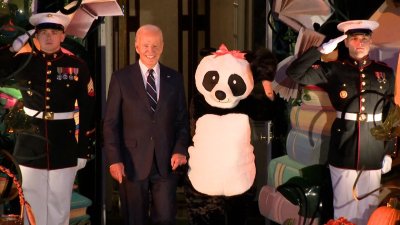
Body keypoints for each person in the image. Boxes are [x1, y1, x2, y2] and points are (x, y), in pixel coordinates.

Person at [286, 20, 395, 224]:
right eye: (354, 39)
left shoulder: (385, 73)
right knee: (343, 210)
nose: (360, 43)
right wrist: (319, 50)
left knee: (369, 211)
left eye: (364, 38)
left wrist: (389, 150)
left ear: (371, 41)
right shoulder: (334, 70)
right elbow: (294, 74)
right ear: (346, 43)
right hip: (344, 148)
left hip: (373, 150)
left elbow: (390, 114)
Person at [0, 12, 95, 225]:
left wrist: (83, 150)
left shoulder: (77, 66)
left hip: (64, 144)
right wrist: (15, 45)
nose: (49, 37)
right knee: (31, 206)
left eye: (54, 32)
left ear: (63, 36)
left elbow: (88, 109)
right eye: (43, 33)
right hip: (30, 145)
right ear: (36, 36)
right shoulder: (24, 61)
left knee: (59, 206)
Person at [103, 24, 190, 225]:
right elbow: (110, 123)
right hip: (131, 162)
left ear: (162, 47)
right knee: (134, 219)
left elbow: (182, 120)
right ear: (137, 47)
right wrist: (114, 159)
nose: (150, 51)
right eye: (146, 45)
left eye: (155, 46)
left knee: (166, 218)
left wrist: (180, 150)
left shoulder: (175, 78)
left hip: (166, 162)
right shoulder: (121, 78)